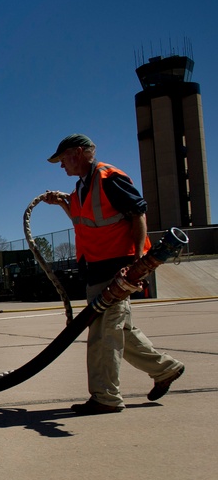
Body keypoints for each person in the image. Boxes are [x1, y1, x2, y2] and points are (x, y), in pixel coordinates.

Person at [42, 134, 185, 413]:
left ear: (79, 153)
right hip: (94, 267)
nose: (61, 166)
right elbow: (86, 223)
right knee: (121, 331)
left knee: (103, 335)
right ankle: (166, 369)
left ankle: (105, 397)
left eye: (62, 159)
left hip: (116, 269)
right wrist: (63, 203)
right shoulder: (81, 187)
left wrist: (138, 262)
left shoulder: (109, 178)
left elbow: (137, 214)